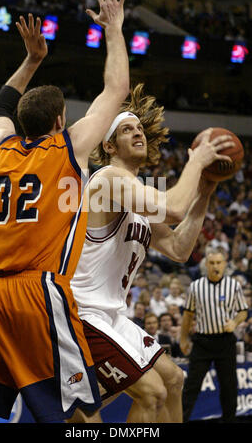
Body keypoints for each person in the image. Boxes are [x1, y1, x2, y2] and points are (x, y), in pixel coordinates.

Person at [0, 0, 130, 423]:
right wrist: (114, 27)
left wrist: (31, 60)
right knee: (81, 415)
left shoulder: (1, 147)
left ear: (20, 123)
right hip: (34, 293)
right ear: (61, 119)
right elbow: (116, 88)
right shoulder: (68, 147)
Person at [70, 82, 236, 423]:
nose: (137, 133)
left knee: (174, 379)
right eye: (126, 129)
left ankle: (75, 407)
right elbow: (174, 209)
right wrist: (198, 161)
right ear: (109, 144)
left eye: (139, 128)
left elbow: (179, 248)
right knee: (153, 392)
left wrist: (204, 190)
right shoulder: (107, 180)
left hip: (111, 315)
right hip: (82, 312)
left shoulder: (138, 198)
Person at [180, 247, 248, 423]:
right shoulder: (195, 287)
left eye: (218, 262)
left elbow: (243, 312)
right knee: (191, 387)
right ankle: (179, 420)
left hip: (225, 342)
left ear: (225, 264)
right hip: (202, 342)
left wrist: (234, 322)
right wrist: (183, 339)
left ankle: (229, 420)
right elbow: (187, 315)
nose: (215, 266)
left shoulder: (234, 286)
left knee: (229, 387)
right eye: (212, 263)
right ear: (206, 265)